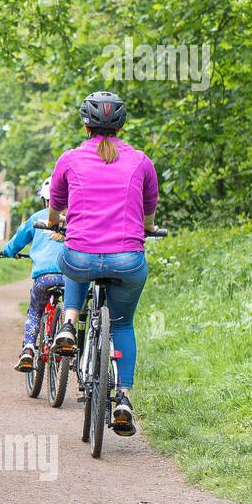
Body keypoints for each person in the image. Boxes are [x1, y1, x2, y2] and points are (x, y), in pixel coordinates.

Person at [47, 91, 158, 437]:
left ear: (85, 123)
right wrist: (148, 228)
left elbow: (55, 202)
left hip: (81, 255)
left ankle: (68, 323)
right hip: (128, 259)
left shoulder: (70, 158)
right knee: (123, 324)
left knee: (76, 260)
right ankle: (123, 397)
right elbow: (149, 207)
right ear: (121, 125)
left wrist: (54, 223)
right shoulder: (140, 161)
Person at [0, 177, 67, 372]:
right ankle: (69, 341)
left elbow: (18, 239)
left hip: (44, 277)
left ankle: (28, 349)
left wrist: (8, 251)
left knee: (35, 312)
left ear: (45, 200)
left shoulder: (38, 217)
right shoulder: (75, 218)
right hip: (70, 275)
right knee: (73, 310)